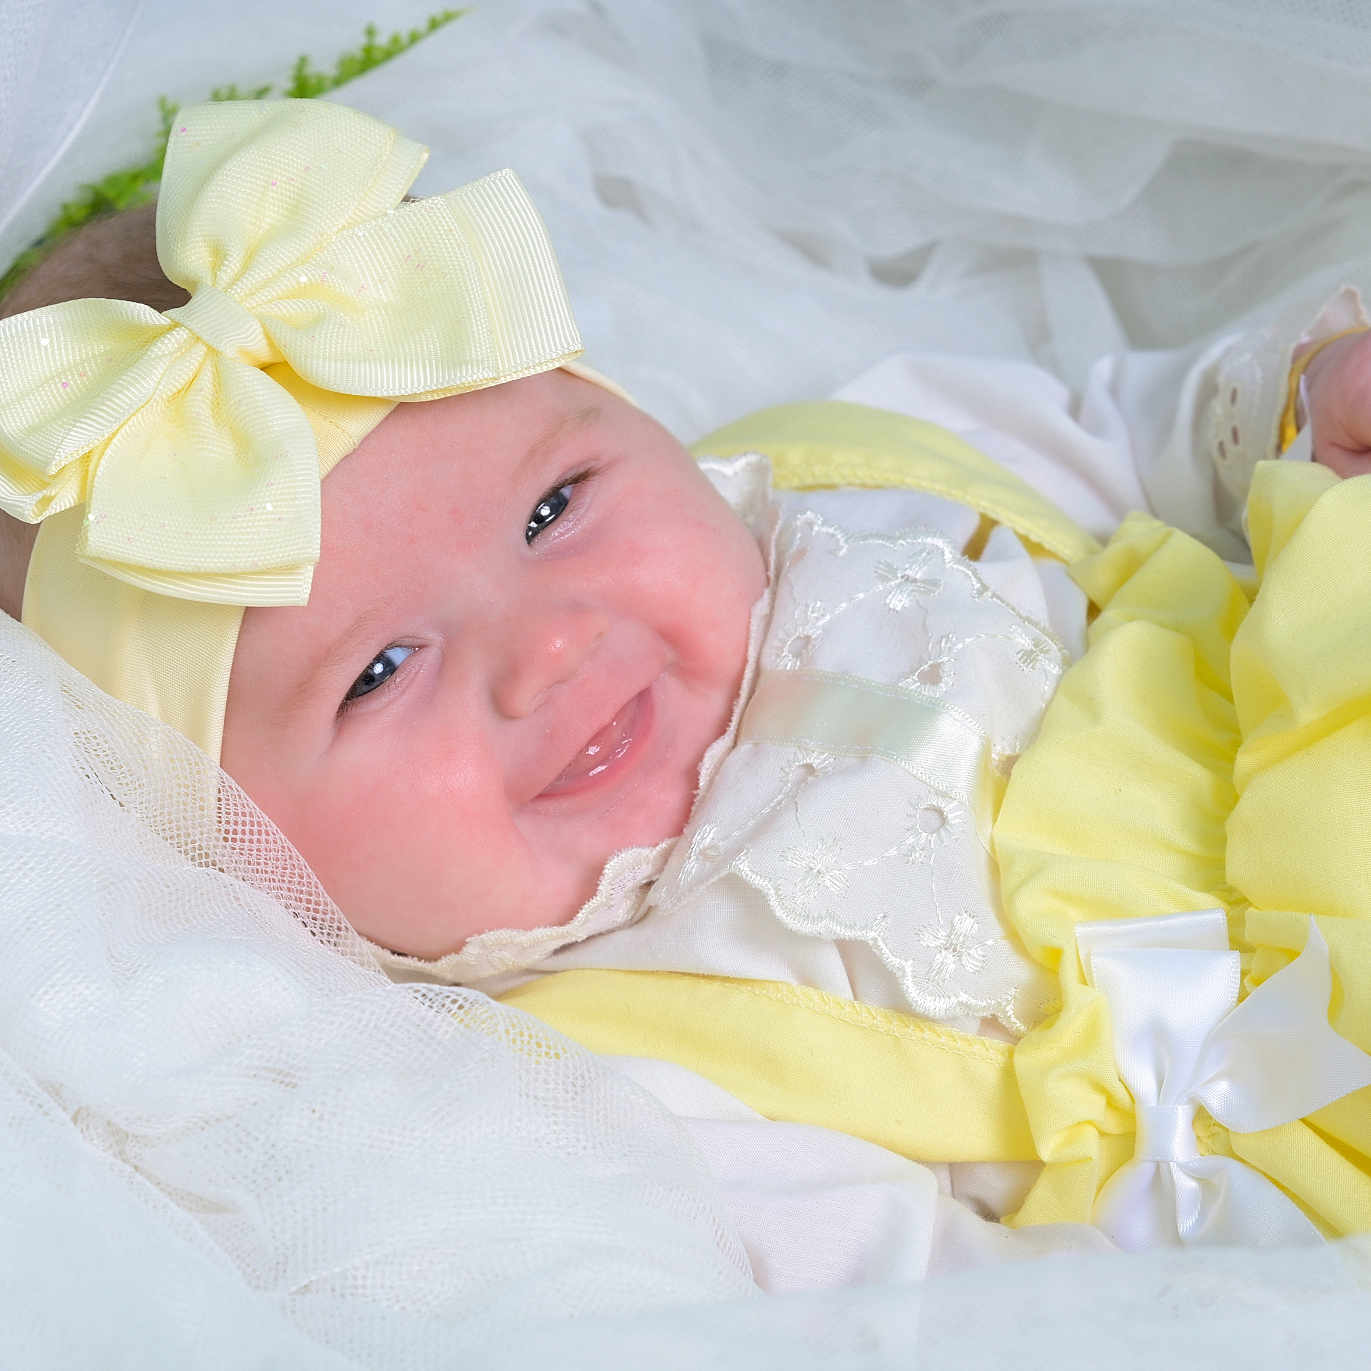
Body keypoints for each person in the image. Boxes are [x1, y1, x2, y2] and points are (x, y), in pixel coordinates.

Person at [3, 99, 1369, 1283]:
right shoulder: (603, 1083)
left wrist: (1305, 404)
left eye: (555, 505)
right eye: (377, 671)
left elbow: (1152, 437)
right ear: (233, 849)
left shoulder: (848, 481)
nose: (548, 647)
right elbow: (957, 1306)